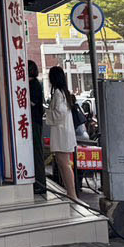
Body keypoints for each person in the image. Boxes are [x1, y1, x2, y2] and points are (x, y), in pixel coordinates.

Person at [44, 65, 79, 200]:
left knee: (64, 164)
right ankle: (69, 192)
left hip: (62, 134)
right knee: (62, 163)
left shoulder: (59, 93)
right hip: (63, 133)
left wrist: (47, 112)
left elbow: (59, 113)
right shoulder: (63, 92)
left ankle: (72, 193)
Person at [28, 60, 47, 196]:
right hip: (33, 121)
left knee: (37, 152)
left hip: (35, 122)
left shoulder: (34, 84)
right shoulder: (34, 83)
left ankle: (40, 184)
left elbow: (33, 102)